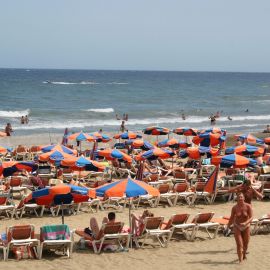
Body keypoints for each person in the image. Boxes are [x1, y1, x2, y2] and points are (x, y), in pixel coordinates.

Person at [227, 193, 253, 263]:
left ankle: (244, 255)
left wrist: (246, 223)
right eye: (239, 197)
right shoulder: (234, 207)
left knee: (246, 244)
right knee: (239, 244)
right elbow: (232, 217)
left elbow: (251, 217)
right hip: (237, 226)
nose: (240, 198)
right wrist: (228, 226)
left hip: (246, 226)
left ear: (244, 198)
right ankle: (240, 262)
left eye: (241, 197)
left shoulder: (248, 206)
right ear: (237, 198)